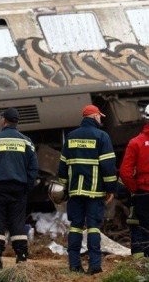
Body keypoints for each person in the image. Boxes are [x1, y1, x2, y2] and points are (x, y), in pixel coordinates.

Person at [0, 107, 38, 269]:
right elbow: (33, 168)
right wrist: (27, 186)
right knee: (17, 222)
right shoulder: (27, 142)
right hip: (19, 187)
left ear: (4, 120)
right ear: (17, 121)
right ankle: (21, 257)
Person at [58, 104, 117, 275]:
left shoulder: (71, 136)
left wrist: (64, 188)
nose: (101, 119)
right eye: (100, 116)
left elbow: (62, 166)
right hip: (95, 192)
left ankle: (74, 265)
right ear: (94, 116)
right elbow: (108, 166)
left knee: (75, 227)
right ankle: (94, 265)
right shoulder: (102, 136)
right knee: (93, 227)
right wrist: (110, 189)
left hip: (75, 191)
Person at [119, 103, 149, 256]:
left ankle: (141, 267)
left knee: (141, 228)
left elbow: (125, 172)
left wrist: (134, 189)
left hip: (143, 193)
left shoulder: (135, 142)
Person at [116, 178, 148, 258]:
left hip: (139, 197)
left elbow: (124, 175)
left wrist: (131, 201)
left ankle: (139, 262)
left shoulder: (135, 166)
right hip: (139, 197)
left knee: (138, 228)